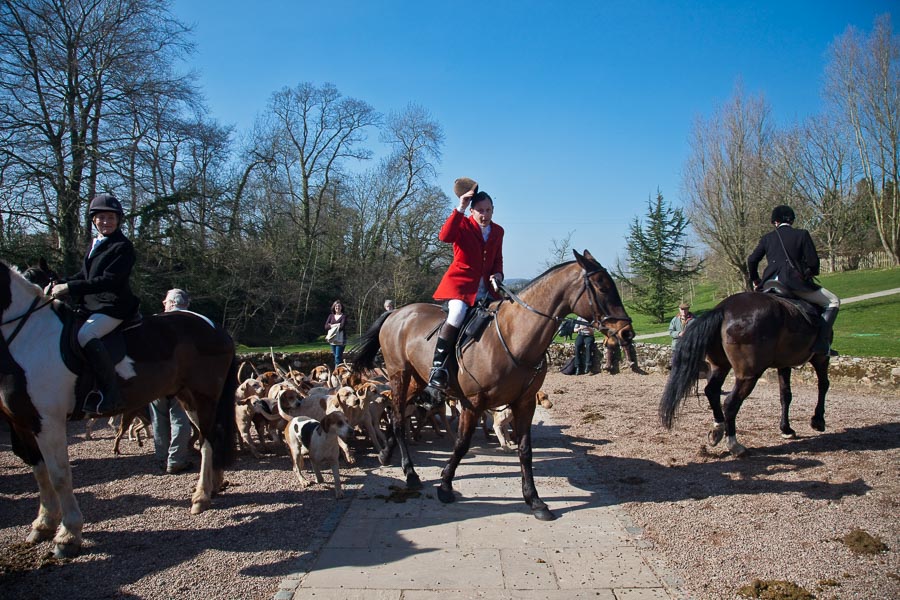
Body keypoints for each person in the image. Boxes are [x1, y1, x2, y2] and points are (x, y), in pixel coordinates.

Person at [50, 193, 139, 415]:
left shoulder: (123, 247)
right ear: (94, 220)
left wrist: (70, 289)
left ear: (118, 220)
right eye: (101, 218)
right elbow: (85, 274)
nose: (106, 222)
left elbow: (109, 280)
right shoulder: (95, 243)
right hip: (91, 305)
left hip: (113, 306)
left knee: (85, 335)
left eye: (111, 217)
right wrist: (61, 282)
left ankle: (111, 394)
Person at [425, 177, 504, 406]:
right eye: (480, 210)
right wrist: (459, 208)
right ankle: (438, 368)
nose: (485, 214)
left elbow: (497, 259)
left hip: (487, 289)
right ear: (472, 210)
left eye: (488, 210)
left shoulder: (498, 231)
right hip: (460, 287)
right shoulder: (463, 224)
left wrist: (498, 275)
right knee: (457, 313)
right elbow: (444, 237)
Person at [748, 205, 841, 355]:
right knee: (833, 301)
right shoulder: (802, 234)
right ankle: (822, 343)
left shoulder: (767, 238)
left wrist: (756, 280)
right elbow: (813, 263)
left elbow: (752, 260)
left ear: (775, 222)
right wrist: (808, 273)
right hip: (792, 284)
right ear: (791, 220)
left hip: (769, 284)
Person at [151, 288, 194, 474]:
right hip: (181, 378)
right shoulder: (194, 323)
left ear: (170, 303)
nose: (163, 303)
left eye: (165, 301)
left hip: (156, 378)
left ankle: (161, 458)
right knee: (180, 419)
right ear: (185, 303)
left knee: (158, 419)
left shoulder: (154, 323)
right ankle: (176, 459)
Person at [325, 300, 348, 367]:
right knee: (337, 357)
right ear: (334, 307)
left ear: (341, 307)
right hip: (332, 339)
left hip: (341, 339)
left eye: (339, 306)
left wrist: (331, 325)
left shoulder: (344, 316)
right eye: (336, 306)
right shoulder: (330, 316)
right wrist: (335, 325)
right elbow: (326, 326)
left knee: (337, 357)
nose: (337, 307)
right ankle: (342, 370)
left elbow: (342, 327)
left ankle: (336, 372)